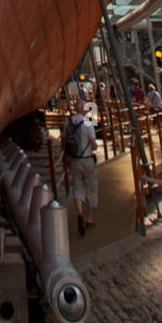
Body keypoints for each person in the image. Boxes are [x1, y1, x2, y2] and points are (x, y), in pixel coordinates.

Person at [61, 100, 98, 236]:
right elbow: (94, 145)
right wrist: (93, 146)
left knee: (77, 187)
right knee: (91, 188)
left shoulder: (68, 122)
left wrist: (66, 155)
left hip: (74, 160)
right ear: (83, 109)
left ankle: (80, 213)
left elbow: (63, 141)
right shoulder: (88, 123)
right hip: (87, 159)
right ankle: (89, 218)